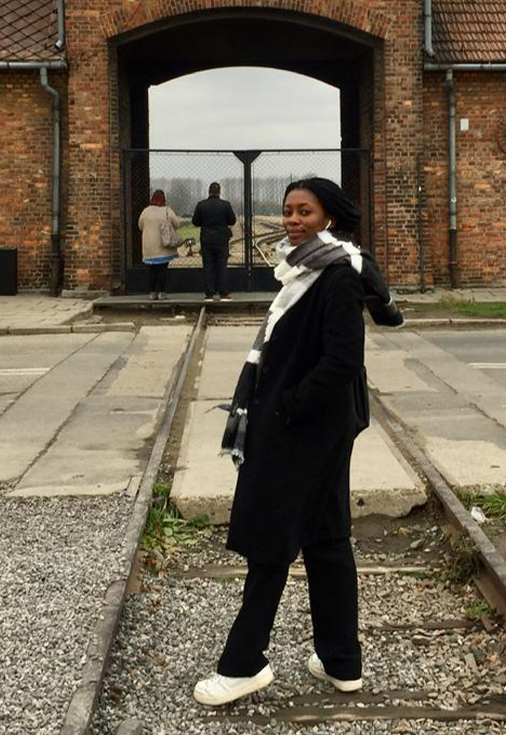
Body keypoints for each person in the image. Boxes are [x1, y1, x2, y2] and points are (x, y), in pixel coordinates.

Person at [194, 177, 403, 708]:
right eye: (288, 210)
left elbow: (342, 361)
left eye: (304, 211)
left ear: (328, 217)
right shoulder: (305, 267)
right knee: (326, 538)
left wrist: (289, 405)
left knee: (270, 534)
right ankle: (341, 661)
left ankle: (243, 665)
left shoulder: (334, 276)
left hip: (305, 427)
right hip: (320, 426)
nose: (292, 219)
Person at [192, 182, 237, 301]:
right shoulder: (225, 205)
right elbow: (232, 221)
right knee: (222, 265)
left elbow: (195, 222)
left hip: (206, 239)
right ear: (219, 192)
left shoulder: (201, 205)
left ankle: (209, 294)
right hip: (222, 240)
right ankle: (223, 293)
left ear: (209, 191)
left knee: (208, 266)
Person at [137, 189, 181, 300]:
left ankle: (152, 293)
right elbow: (176, 224)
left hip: (149, 247)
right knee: (162, 270)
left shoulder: (145, 211)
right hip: (163, 246)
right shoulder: (167, 210)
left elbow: (140, 226)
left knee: (152, 270)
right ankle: (162, 292)